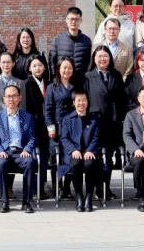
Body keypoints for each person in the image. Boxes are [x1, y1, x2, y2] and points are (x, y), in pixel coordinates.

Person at [84, 45, 127, 199]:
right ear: (94, 59)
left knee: (108, 157)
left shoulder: (116, 75)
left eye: (105, 56)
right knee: (95, 156)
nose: (102, 59)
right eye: (99, 56)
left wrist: (121, 118)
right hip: (94, 122)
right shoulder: (88, 77)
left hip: (112, 123)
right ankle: (94, 188)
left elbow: (122, 99)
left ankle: (105, 188)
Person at [0, 84, 37, 213]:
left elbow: (32, 138)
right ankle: (4, 202)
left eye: (14, 96)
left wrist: (27, 149)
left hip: (21, 152)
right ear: (4, 99)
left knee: (30, 162)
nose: (11, 99)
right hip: (4, 152)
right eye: (8, 96)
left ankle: (26, 202)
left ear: (20, 98)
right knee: (1, 163)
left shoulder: (27, 117)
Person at [59, 90, 102, 212]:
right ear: (74, 103)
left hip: (89, 153)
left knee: (90, 164)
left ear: (87, 102)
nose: (81, 103)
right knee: (76, 163)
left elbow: (96, 138)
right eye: (79, 100)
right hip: (74, 154)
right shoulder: (67, 119)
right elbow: (64, 138)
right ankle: (79, 197)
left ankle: (88, 196)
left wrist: (90, 150)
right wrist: (73, 150)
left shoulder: (94, 119)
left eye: (84, 100)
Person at [43, 58, 78, 198]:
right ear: (58, 69)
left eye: (69, 68)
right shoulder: (52, 87)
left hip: (72, 127)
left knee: (69, 156)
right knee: (55, 156)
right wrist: (50, 127)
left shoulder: (76, 87)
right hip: (56, 127)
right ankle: (57, 185)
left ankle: (67, 188)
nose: (67, 71)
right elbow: (48, 110)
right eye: (64, 68)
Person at [22, 55, 53, 199]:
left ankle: (42, 187)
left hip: (46, 127)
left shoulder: (49, 83)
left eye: (40, 65)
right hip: (32, 126)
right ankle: (33, 188)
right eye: (34, 66)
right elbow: (25, 107)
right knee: (33, 158)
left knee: (44, 158)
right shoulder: (26, 83)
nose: (37, 68)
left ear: (45, 67)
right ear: (29, 68)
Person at [49, 7, 93, 84]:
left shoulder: (86, 41)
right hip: (61, 82)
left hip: (80, 83)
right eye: (71, 19)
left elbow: (88, 63)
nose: (73, 22)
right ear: (66, 20)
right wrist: (55, 79)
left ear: (81, 20)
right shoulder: (57, 40)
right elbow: (52, 62)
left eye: (76, 19)